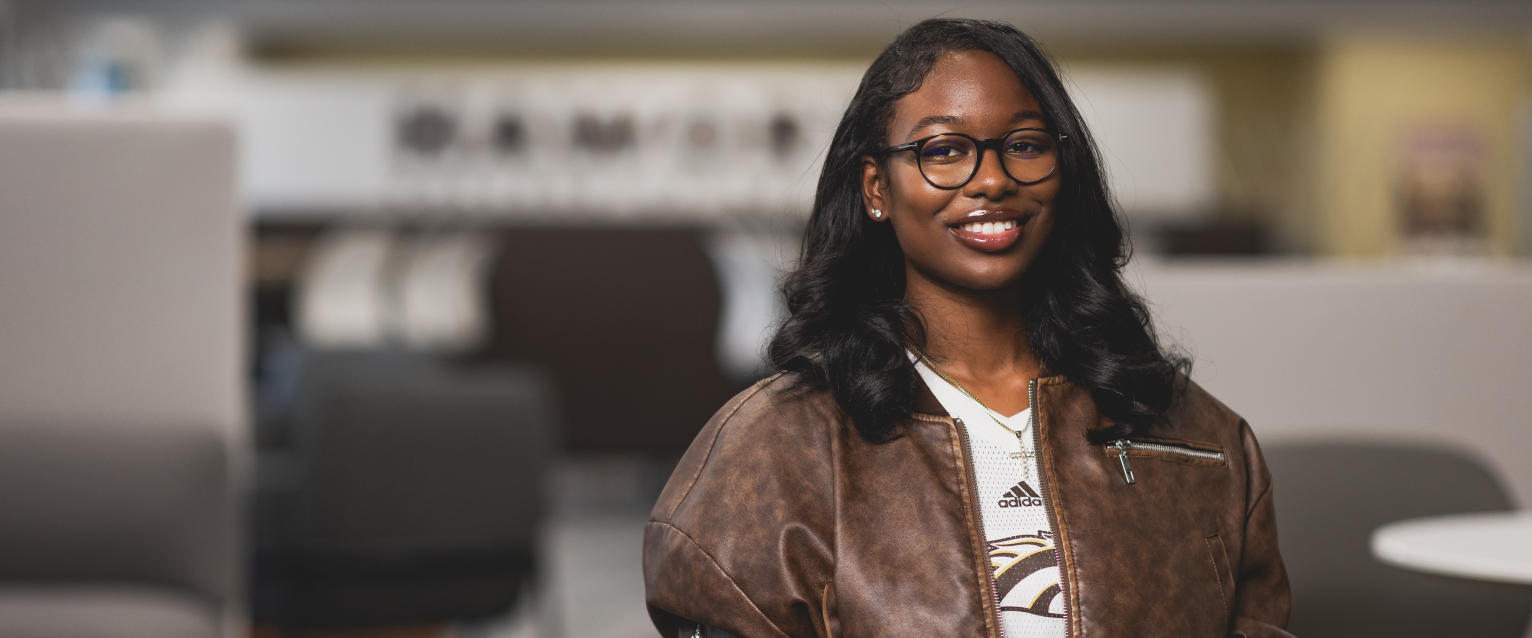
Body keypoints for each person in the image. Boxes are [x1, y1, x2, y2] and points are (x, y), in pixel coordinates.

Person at [642, 18, 1291, 638]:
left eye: (1026, 145)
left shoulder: (1203, 441)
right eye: (944, 150)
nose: (993, 178)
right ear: (877, 187)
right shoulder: (771, 449)